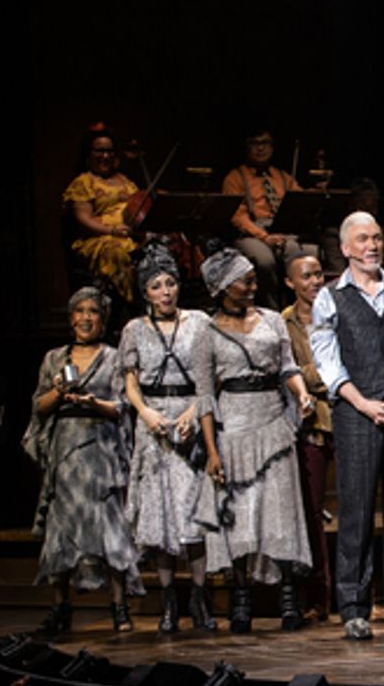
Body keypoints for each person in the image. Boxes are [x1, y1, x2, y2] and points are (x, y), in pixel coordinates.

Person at [311, 211, 384, 640]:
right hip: (355, 414)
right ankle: (354, 607)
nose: (372, 245)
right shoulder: (330, 297)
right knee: (357, 512)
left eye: (377, 238)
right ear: (345, 248)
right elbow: (328, 363)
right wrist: (364, 404)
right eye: (362, 239)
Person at [196, 248, 315, 633]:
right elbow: (204, 397)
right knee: (241, 516)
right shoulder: (207, 331)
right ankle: (240, 599)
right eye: (243, 280)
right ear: (221, 287)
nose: (252, 286)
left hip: (272, 421)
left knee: (279, 511)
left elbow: (287, 367)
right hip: (233, 427)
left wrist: (300, 393)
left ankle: (288, 600)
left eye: (252, 278)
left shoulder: (270, 320)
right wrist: (212, 451)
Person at [23, 286, 142, 634]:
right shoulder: (54, 358)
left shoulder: (115, 357)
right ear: (71, 317)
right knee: (62, 528)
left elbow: (122, 407)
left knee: (111, 528)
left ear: (102, 319)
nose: (86, 318)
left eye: (93, 312)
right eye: (80, 311)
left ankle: (120, 606)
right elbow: (38, 406)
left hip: (101, 449)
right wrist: (60, 392)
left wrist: (93, 403)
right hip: (66, 450)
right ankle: (60, 607)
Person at [120, 245, 216, 632]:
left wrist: (195, 411)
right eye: (157, 286)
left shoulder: (198, 322)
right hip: (154, 425)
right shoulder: (134, 330)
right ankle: (168, 604)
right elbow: (130, 381)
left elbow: (212, 375)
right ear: (145, 293)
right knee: (159, 519)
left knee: (193, 514)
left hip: (189, 417)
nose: (166, 292)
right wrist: (144, 413)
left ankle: (200, 599)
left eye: (171, 283)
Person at [282, 252, 335, 622]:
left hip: (345, 418)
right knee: (311, 514)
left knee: (359, 510)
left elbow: (341, 368)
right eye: (306, 277)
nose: (315, 282)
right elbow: (282, 370)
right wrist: (317, 375)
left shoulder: (337, 312)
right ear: (291, 282)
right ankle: (319, 596)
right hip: (309, 425)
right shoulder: (281, 323)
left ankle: (357, 593)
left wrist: (306, 374)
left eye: (318, 275)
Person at [221, 127, 303, 308]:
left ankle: (298, 309)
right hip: (252, 233)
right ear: (246, 147)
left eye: (265, 143)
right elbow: (238, 217)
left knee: (300, 255)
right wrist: (265, 237)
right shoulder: (235, 178)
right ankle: (270, 309)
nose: (260, 148)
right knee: (264, 260)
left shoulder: (282, 176)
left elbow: (301, 203)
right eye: (254, 144)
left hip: (281, 231)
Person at [62, 124, 140, 304]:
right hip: (100, 239)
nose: (105, 156)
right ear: (88, 154)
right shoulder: (84, 182)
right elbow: (84, 219)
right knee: (117, 252)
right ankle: (130, 305)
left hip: (130, 234)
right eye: (100, 151)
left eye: (110, 151)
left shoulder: (124, 180)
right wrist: (112, 231)